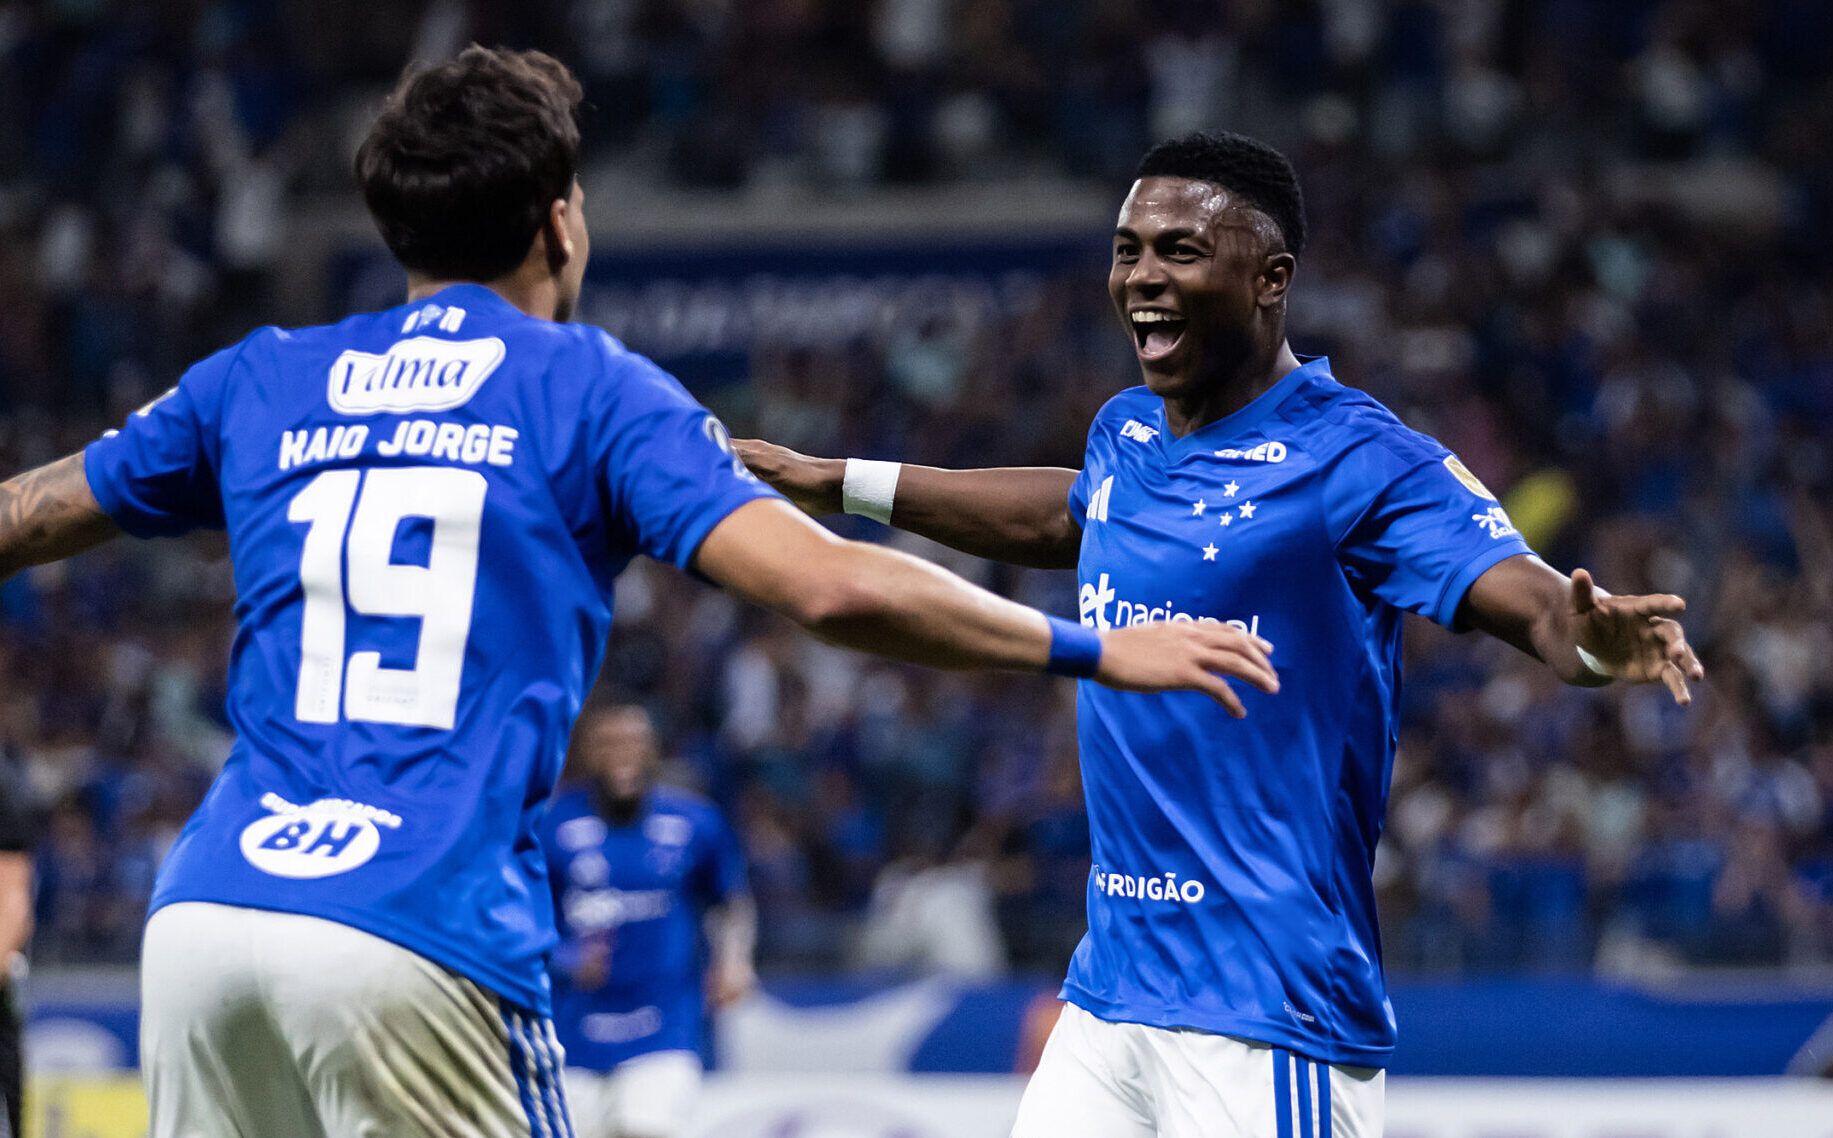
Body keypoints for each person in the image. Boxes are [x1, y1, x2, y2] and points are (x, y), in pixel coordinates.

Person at [0, 56, 1280, 1137]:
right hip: (416, 921)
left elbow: (29, 514)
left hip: (210, 915)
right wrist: (1095, 648)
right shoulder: (587, 388)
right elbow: (829, 587)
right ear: (559, 222)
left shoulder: (259, 377)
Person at [736, 130, 1706, 1138]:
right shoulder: (1128, 430)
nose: (1142, 277)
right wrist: (840, 482)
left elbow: (1536, 604)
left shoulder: (1358, 456)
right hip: (1109, 996)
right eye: (1127, 250)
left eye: (1180, 250)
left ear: (1269, 279)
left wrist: (1592, 641)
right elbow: (1069, 515)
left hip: (1264, 1011)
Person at [541, 703, 753, 1138]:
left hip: (664, 1025)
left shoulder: (694, 822)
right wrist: (566, 959)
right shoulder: (553, 827)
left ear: (654, 749)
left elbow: (730, 901)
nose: (623, 754)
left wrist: (735, 960)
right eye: (608, 743)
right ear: (585, 752)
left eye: (635, 742)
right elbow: (521, 920)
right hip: (572, 1031)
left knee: (646, 1127)